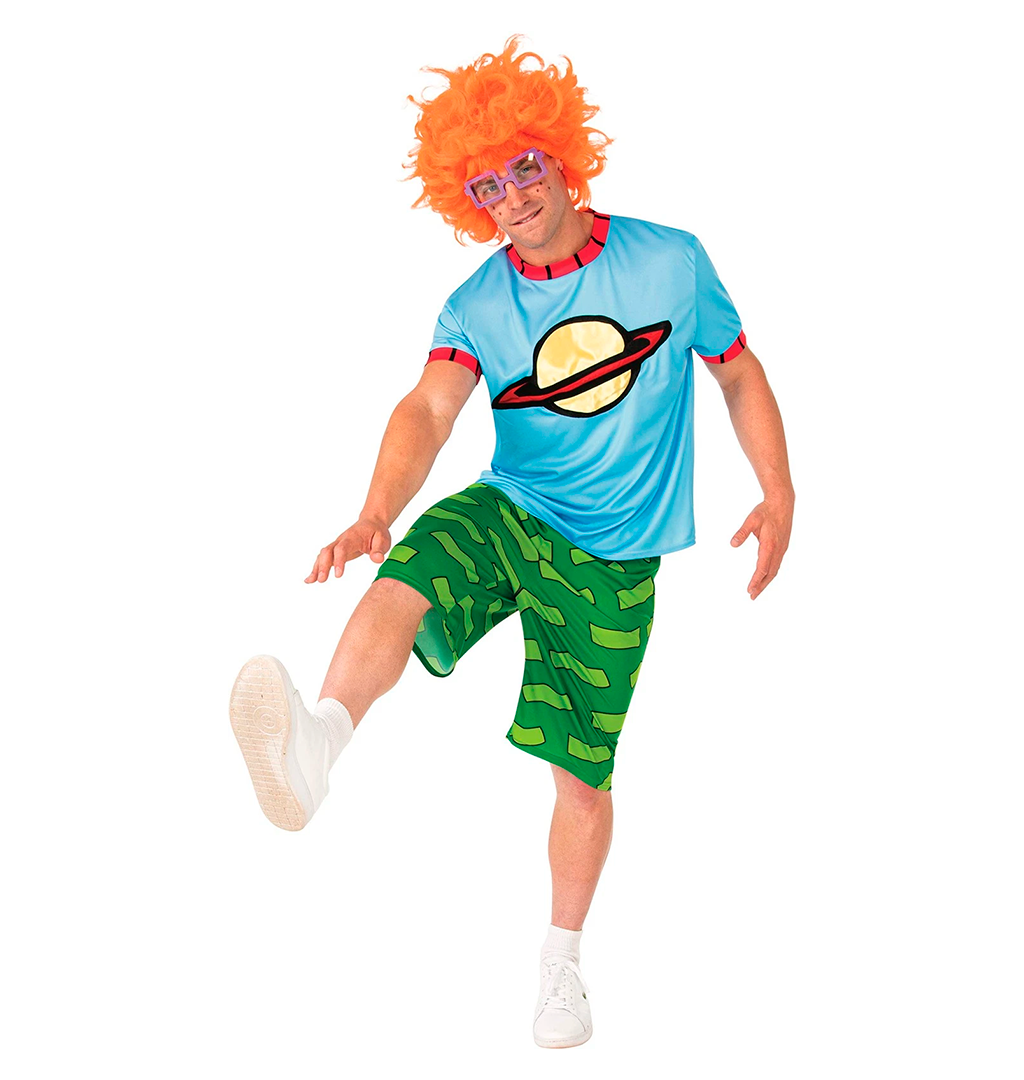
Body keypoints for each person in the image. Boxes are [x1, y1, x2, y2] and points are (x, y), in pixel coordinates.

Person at [229, 37, 793, 1050]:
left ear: (563, 158)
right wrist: (375, 509)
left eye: (524, 167)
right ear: (471, 202)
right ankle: (318, 744)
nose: (513, 197)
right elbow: (427, 408)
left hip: (614, 556)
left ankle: (561, 964)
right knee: (405, 573)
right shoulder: (477, 304)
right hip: (513, 508)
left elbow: (738, 371)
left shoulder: (670, 261)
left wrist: (778, 488)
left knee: (581, 778)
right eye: (486, 185)